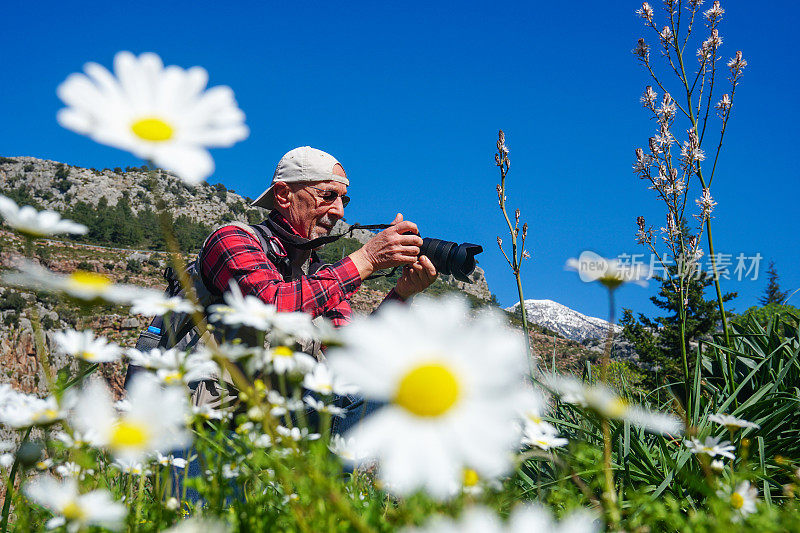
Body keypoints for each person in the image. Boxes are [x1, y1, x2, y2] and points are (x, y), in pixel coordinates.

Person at [195, 146, 438, 429]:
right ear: (284, 195)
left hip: (272, 432)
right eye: (328, 196)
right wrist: (368, 258)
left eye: (344, 199)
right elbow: (273, 305)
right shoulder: (232, 239)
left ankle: (331, 471)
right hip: (206, 433)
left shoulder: (321, 277)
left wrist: (402, 293)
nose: (339, 211)